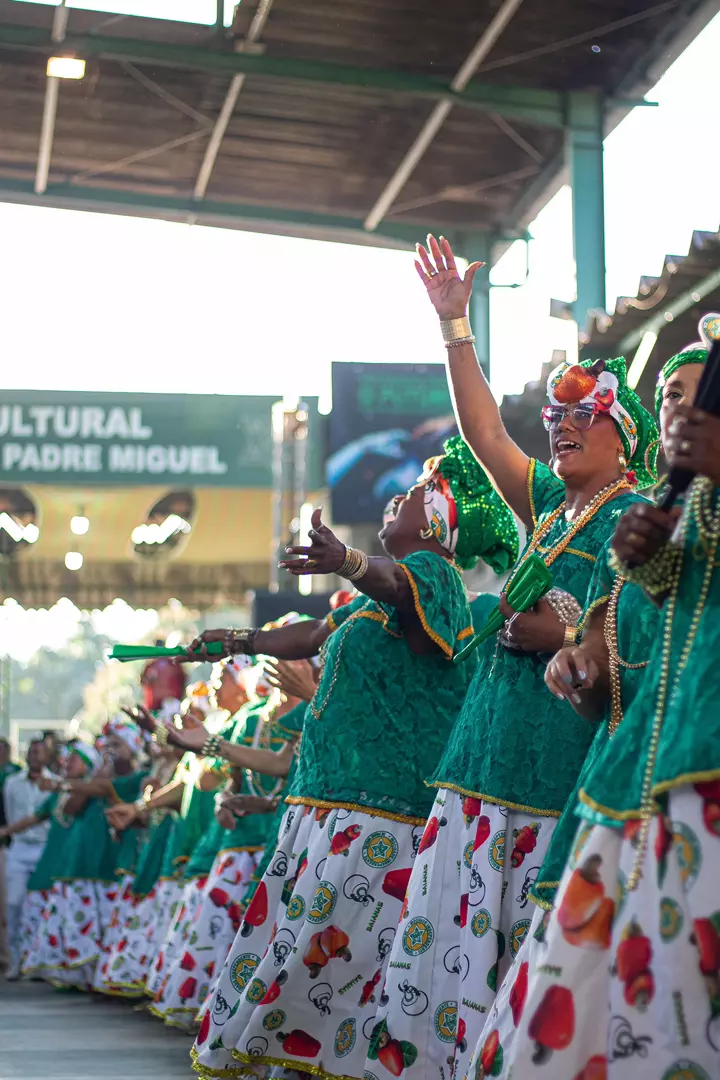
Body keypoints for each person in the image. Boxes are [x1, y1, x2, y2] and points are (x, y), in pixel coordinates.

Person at [367, 235, 659, 1080]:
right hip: (481, 761)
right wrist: (454, 322)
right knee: (454, 963)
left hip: (550, 774)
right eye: (556, 417)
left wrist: (566, 637)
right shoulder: (549, 509)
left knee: (527, 965)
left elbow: (634, 628)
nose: (561, 426)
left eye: (584, 415)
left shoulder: (633, 512)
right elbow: (485, 430)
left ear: (627, 436)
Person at [190, 434, 519, 1080]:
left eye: (418, 492)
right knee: (323, 958)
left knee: (342, 959)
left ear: (440, 525)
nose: (398, 497)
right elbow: (312, 633)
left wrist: (348, 562)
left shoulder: (432, 577)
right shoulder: (370, 600)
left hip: (382, 816)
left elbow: (399, 586)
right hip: (335, 806)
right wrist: (236, 640)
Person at [464, 328, 713, 1079]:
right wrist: (579, 662)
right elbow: (614, 680)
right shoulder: (655, 523)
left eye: (702, 396)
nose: (685, 411)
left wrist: (565, 628)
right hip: (625, 791)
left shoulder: (632, 507)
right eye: (671, 395)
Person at [1, 742, 103, 979]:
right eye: (66, 759)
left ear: (88, 766)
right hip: (52, 859)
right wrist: (6, 831)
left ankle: (75, 973)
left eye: (74, 760)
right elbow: (34, 817)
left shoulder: (86, 791)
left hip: (77, 863)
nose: (66, 763)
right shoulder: (60, 790)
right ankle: (26, 961)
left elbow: (74, 806)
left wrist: (62, 785)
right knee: (25, 907)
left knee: (74, 917)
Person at [1, 739, 52, 980]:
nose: (34, 756)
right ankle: (15, 959)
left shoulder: (56, 783)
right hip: (19, 847)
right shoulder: (12, 783)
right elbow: (10, 812)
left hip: (45, 848)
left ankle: (37, 961)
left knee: (42, 906)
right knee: (14, 904)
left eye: (39, 752)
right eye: (31, 752)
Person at [0, 737, 21, 972]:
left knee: (10, 903)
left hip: (8, 845)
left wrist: (8, 832)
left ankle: (9, 956)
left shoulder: (14, 775)